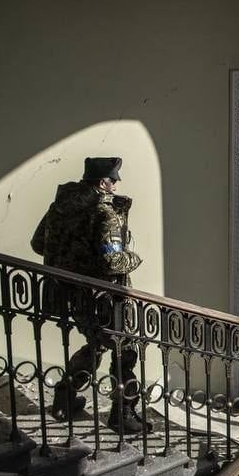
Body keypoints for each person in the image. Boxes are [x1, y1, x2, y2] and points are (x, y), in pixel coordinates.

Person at [29, 157, 150, 433]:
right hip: (102, 296)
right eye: (114, 178)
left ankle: (64, 398)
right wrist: (134, 258)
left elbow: (38, 244)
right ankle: (123, 413)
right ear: (102, 182)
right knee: (126, 347)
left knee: (96, 343)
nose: (117, 183)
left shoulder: (59, 207)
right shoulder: (103, 212)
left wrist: (72, 261)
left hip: (70, 293)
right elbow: (112, 262)